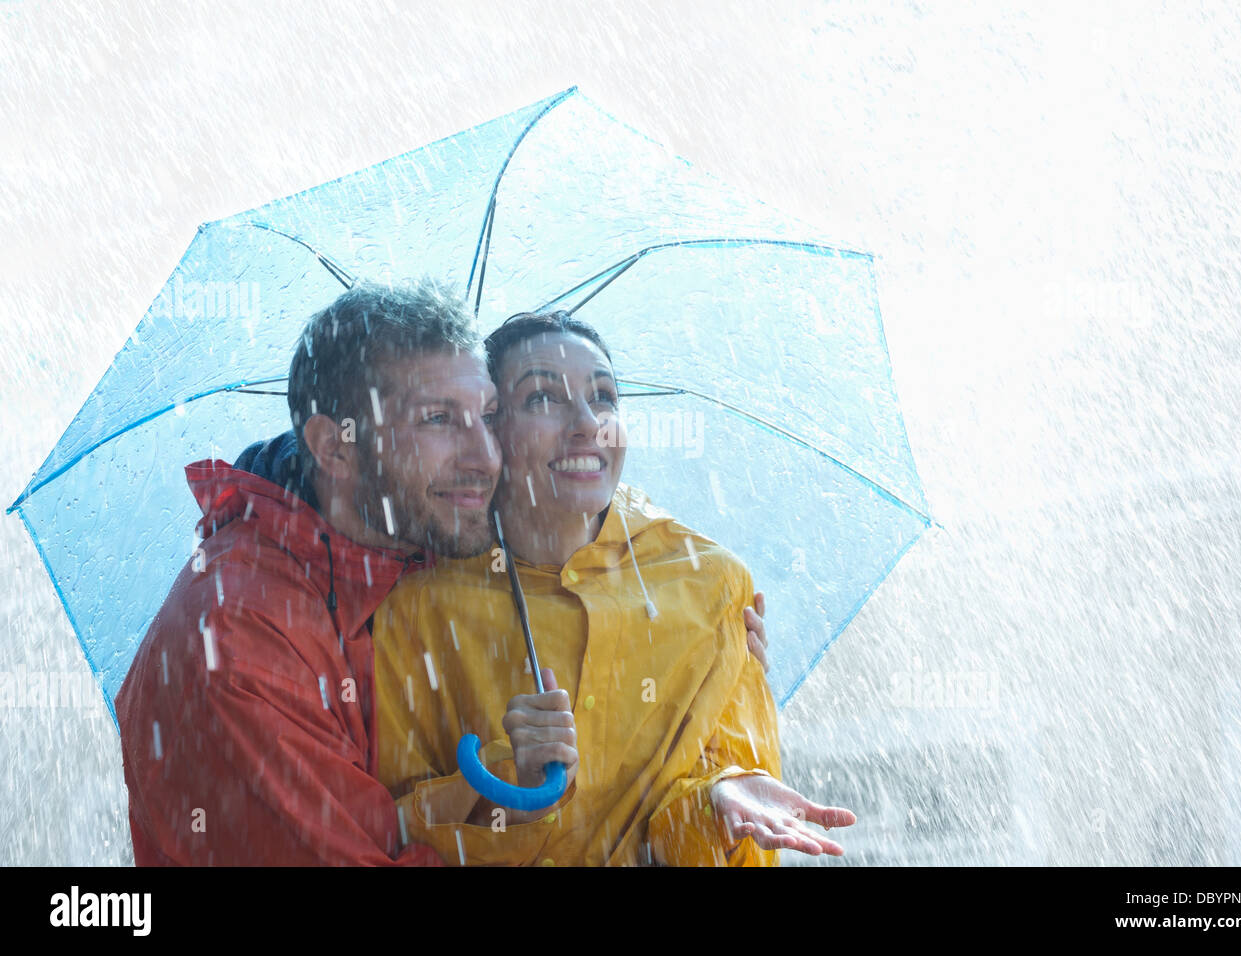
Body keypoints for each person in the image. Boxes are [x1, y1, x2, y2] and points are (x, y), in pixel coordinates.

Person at [371, 310, 855, 866]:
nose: (586, 423)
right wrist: (510, 784)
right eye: (542, 399)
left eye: (603, 396)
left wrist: (717, 802)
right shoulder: (417, 607)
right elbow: (389, 829)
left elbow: (716, 836)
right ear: (490, 431)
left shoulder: (711, 583)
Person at [115, 280, 504, 865]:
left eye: (489, 417)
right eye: (439, 420)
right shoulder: (235, 638)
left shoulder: (399, 555)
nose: (486, 457)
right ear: (334, 447)